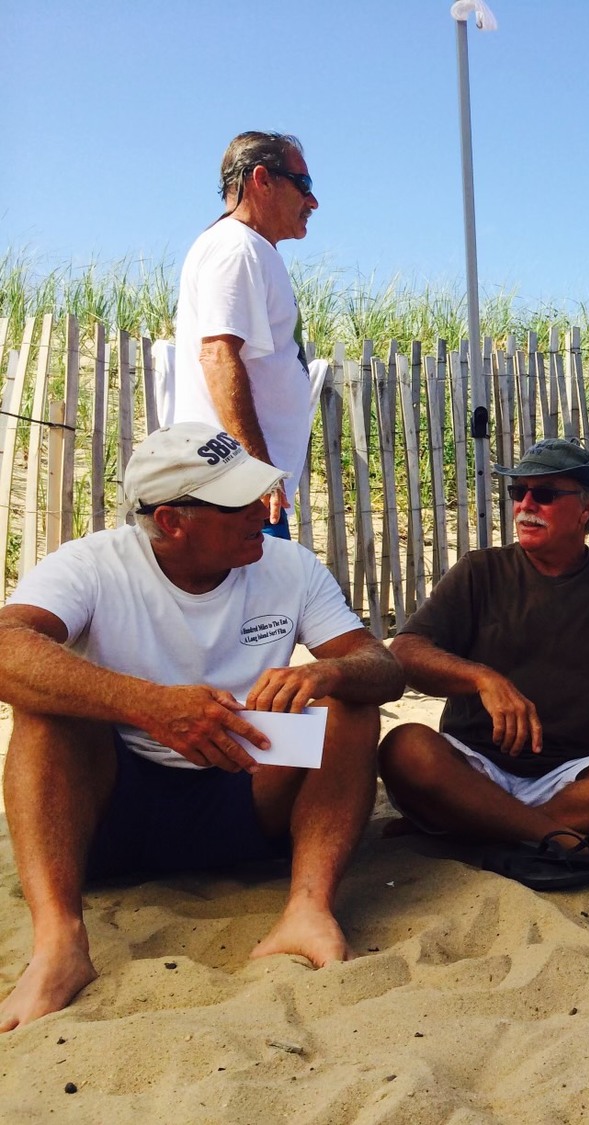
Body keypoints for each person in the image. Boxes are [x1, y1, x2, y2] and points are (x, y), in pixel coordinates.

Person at [0, 422, 403, 1031]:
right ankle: (59, 944)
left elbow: (383, 667)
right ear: (171, 521)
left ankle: (308, 906)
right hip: (109, 813)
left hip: (246, 794)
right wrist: (150, 706)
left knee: (350, 703)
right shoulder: (94, 564)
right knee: (46, 706)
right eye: (237, 501)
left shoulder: (288, 566)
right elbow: (6, 645)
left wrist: (331, 674)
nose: (261, 511)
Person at [379, 438, 589, 866]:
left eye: (543, 494)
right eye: (517, 492)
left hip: (568, 777)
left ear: (586, 510)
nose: (525, 504)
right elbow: (406, 651)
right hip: (472, 766)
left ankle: (488, 830)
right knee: (404, 747)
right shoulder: (479, 570)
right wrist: (483, 679)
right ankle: (570, 842)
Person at [170, 131, 319, 539]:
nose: (312, 202)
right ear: (262, 180)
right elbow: (218, 355)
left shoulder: (248, 248)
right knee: (260, 602)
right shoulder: (236, 247)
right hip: (235, 490)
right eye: (303, 185)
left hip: (242, 485)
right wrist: (254, 470)